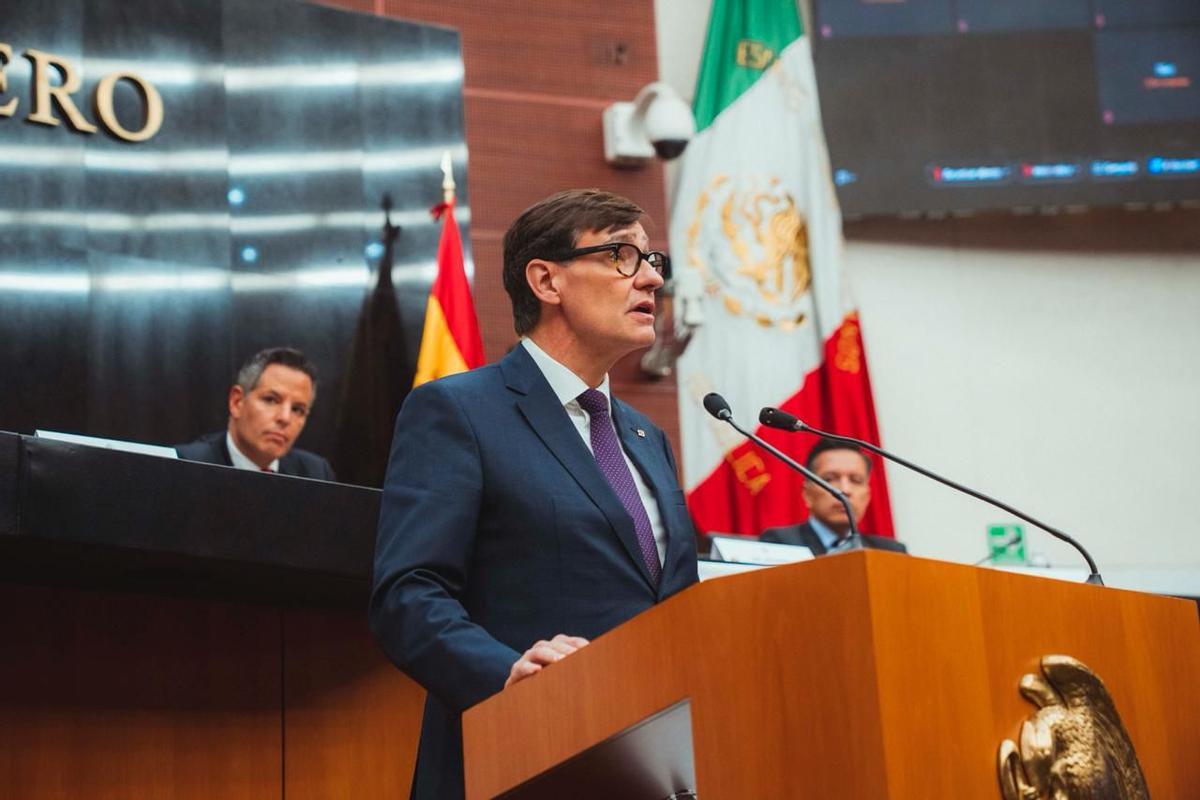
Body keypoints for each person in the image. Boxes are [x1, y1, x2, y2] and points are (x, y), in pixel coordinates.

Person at [370, 189, 700, 799]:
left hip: (654, 768)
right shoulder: (458, 411)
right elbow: (408, 594)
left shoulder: (647, 437)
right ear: (547, 280)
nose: (652, 278)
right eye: (622, 255)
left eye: (652, 259)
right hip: (517, 760)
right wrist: (508, 675)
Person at [175, 347, 335, 480]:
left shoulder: (316, 473)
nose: (285, 418)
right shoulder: (183, 465)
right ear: (237, 402)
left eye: (297, 409)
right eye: (271, 400)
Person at [759, 437, 906, 555]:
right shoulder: (779, 543)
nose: (844, 490)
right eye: (829, 479)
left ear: (867, 496)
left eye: (855, 480)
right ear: (807, 494)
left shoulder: (891, 552)